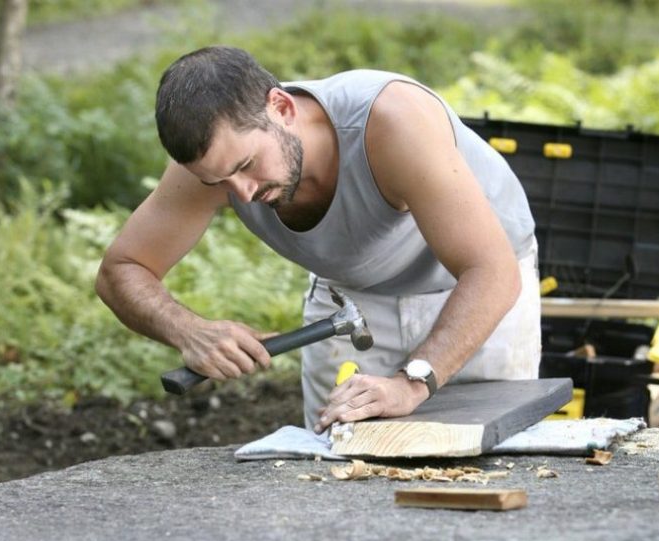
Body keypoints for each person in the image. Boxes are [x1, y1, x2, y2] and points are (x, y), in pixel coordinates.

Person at [95, 45, 541, 434]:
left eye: (247, 165)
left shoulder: (391, 122)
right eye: (220, 182)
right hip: (352, 299)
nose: (243, 193)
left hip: (474, 289)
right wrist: (188, 330)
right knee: (336, 472)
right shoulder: (214, 166)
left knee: (482, 461)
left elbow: (492, 272)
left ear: (282, 108)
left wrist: (412, 382)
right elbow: (122, 270)